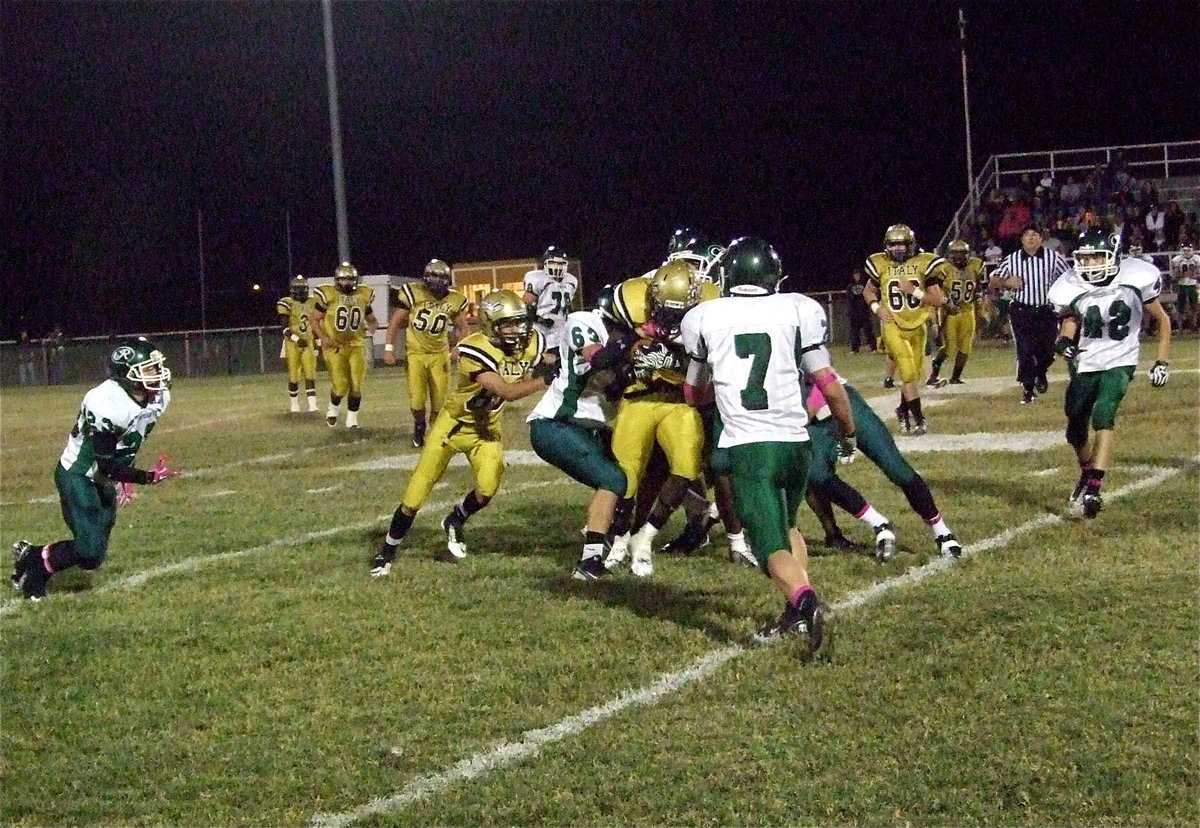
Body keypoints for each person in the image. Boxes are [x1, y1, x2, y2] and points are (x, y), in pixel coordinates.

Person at [681, 236, 856, 659]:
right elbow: (828, 385)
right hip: (796, 443)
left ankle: (808, 605)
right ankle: (792, 612)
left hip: (749, 447)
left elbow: (691, 392)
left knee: (768, 546)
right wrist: (848, 430)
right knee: (789, 524)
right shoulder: (797, 310)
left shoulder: (706, 316)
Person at [371, 290, 553, 574]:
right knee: (416, 493)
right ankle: (387, 550)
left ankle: (455, 519)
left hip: (487, 429)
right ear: (491, 324)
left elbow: (539, 363)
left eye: (519, 322)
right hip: (454, 426)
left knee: (488, 487)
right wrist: (545, 378)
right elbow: (507, 391)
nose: (517, 330)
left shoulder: (530, 342)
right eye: (509, 324)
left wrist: (568, 361)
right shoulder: (474, 349)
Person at [10, 337, 181, 601]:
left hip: (104, 478)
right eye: (149, 369)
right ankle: (34, 578)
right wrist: (146, 477)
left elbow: (129, 440)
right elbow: (107, 463)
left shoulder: (158, 397)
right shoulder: (105, 402)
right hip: (78, 474)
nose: (157, 374)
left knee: (93, 556)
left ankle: (31, 555)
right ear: (127, 374)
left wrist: (127, 477)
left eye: (157, 367)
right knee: (88, 550)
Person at [1049, 228, 1172, 519]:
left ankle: (1094, 487)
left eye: (1096, 257)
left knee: (1104, 414)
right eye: (1085, 258)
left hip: (1120, 359)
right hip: (1086, 361)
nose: (1090, 264)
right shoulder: (1071, 285)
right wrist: (1064, 343)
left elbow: (1163, 320)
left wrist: (1162, 361)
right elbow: (1069, 324)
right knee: (1074, 427)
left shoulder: (1135, 278)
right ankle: (1086, 471)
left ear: (1113, 257)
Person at [527, 285, 634, 580]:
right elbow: (597, 357)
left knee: (630, 478)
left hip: (592, 429)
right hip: (556, 425)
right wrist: (632, 344)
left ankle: (617, 539)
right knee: (612, 479)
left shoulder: (625, 340)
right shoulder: (585, 322)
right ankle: (590, 561)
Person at [803, 372, 963, 561]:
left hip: (840, 401)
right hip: (810, 421)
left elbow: (823, 374)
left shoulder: (797, 342)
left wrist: (802, 415)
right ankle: (879, 524)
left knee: (896, 469)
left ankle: (942, 532)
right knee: (814, 474)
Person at [862, 223, 948, 435]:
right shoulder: (879, 263)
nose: (898, 248)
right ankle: (919, 419)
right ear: (886, 246)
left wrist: (914, 292)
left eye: (902, 244)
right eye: (894, 244)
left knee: (914, 376)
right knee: (908, 373)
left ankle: (902, 409)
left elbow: (937, 300)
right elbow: (868, 291)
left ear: (911, 245)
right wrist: (876, 308)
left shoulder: (923, 263)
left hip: (918, 324)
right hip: (892, 325)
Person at [384, 259, 470, 447]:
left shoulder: (454, 300)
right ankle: (419, 425)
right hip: (416, 354)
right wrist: (388, 348)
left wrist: (458, 347)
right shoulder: (415, 293)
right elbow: (395, 322)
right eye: (433, 277)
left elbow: (463, 328)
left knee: (439, 402)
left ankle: (434, 433)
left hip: (440, 355)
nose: (437, 282)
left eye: (441, 277)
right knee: (417, 401)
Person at [991, 225, 1070, 404]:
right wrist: (1006, 282)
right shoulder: (1013, 259)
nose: (1031, 238)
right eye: (1027, 235)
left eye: (1034, 235)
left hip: (1046, 310)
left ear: (1041, 239)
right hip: (1021, 310)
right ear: (1022, 240)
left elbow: (1068, 277)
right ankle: (1028, 389)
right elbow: (993, 281)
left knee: (1048, 350)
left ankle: (1040, 371)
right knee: (1025, 350)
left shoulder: (1053, 258)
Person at [311, 262, 378, 429]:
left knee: (356, 384)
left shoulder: (363, 295)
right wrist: (322, 337)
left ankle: (352, 419)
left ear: (355, 279)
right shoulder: (329, 294)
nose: (346, 283)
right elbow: (314, 319)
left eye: (349, 279)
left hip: (356, 345)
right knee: (340, 386)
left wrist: (373, 325)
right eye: (343, 279)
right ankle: (333, 409)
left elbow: (371, 318)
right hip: (335, 345)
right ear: (336, 280)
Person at [926, 239, 985, 386]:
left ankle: (955, 377)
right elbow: (934, 291)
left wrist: (979, 303)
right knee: (950, 347)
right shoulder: (944, 268)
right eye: (956, 253)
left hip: (968, 310)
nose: (959, 257)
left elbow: (978, 287)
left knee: (966, 347)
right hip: (949, 312)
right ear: (950, 254)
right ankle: (933, 374)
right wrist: (945, 301)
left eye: (962, 253)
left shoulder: (975, 265)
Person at [523, 245, 578, 358]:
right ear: (545, 264)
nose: (557, 266)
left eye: (560, 263)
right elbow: (524, 307)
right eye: (553, 263)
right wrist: (540, 319)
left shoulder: (571, 281)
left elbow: (568, 306)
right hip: (543, 332)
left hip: (563, 330)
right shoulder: (538, 278)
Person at [276, 274, 320, 413]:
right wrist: (296, 339)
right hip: (292, 343)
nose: (301, 292)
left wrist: (318, 341)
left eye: (303, 289)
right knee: (294, 375)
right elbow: (284, 328)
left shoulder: (312, 302)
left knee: (310, 373)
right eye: (298, 289)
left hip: (308, 342)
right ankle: (294, 405)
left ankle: (312, 404)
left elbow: (317, 324)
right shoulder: (287, 303)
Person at [846, 269, 876, 353]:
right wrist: (850, 311)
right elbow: (849, 300)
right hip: (854, 313)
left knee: (868, 330)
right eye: (855, 275)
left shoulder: (865, 285)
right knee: (854, 331)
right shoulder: (850, 287)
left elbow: (869, 295)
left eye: (858, 275)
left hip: (864, 311)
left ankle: (873, 348)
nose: (857, 277)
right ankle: (855, 349)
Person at [1170, 244, 1199, 331]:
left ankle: (1193, 325)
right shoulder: (1177, 260)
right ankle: (1180, 327)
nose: (1186, 252)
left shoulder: (1196, 259)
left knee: (1194, 306)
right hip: (1181, 285)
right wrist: (1179, 275)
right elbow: (1174, 276)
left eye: (1188, 250)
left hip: (1192, 285)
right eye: (1185, 250)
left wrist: (1194, 275)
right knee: (1180, 307)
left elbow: (1198, 273)